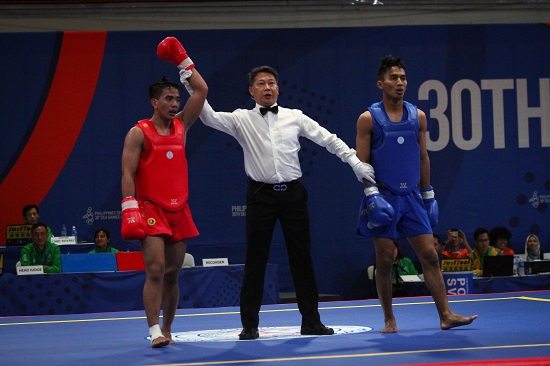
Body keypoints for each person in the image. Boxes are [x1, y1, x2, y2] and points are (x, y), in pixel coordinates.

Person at [177, 61, 376, 340]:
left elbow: (328, 139)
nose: (267, 87)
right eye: (261, 83)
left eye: (271, 83)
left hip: (293, 194)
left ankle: (311, 321)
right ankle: (249, 325)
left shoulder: (295, 116)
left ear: (278, 89)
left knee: (302, 259)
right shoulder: (240, 119)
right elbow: (207, 116)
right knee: (255, 260)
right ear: (251, 91)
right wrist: (191, 84)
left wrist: (355, 162)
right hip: (261, 196)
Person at [355, 55, 477, 333]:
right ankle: (389, 319)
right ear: (380, 83)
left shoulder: (418, 116)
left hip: (411, 197)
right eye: (393, 78)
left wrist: (428, 193)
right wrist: (371, 194)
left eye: (403, 78)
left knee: (430, 256)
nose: (400, 83)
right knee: (385, 259)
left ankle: (446, 315)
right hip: (383, 195)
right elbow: (361, 163)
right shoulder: (368, 119)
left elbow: (423, 157)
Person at [121, 36, 207, 348]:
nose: (174, 103)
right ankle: (153, 328)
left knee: (173, 274)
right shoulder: (137, 133)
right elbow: (127, 172)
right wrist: (130, 207)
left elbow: (201, 90)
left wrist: (182, 58)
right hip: (150, 209)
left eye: (176, 98)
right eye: (168, 99)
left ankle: (168, 328)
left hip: (179, 209)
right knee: (155, 270)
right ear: (154, 103)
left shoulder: (183, 126)